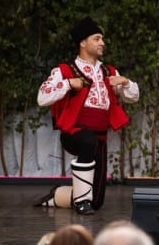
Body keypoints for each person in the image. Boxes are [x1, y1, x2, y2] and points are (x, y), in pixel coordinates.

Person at [35, 18, 138, 214]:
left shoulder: (109, 71)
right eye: (97, 38)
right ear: (83, 42)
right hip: (73, 132)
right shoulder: (65, 70)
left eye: (102, 39)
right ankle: (82, 202)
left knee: (97, 201)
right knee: (88, 140)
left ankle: (58, 196)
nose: (102, 43)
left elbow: (133, 97)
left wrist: (125, 82)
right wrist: (67, 84)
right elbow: (42, 97)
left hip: (99, 137)